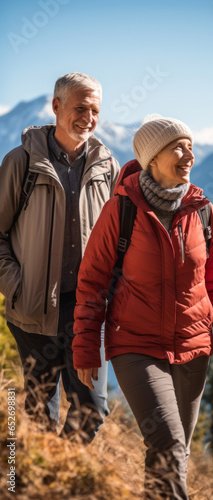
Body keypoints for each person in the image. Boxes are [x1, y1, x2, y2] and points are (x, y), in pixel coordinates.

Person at [72, 116, 213, 497]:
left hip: (193, 349)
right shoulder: (122, 210)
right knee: (166, 445)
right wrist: (86, 348)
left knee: (174, 451)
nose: (190, 155)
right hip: (135, 346)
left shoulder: (202, 211)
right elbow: (93, 281)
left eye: (191, 146)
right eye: (178, 147)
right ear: (152, 157)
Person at [0, 72, 120, 443]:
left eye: (95, 110)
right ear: (56, 107)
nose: (88, 117)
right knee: (36, 412)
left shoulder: (107, 168)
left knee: (92, 408)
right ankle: (23, 481)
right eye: (80, 107)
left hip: (86, 311)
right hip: (32, 309)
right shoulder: (21, 162)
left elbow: (119, 242)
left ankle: (63, 469)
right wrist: (16, 287)